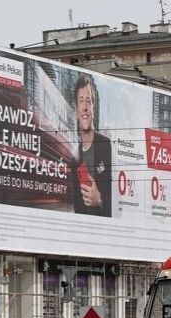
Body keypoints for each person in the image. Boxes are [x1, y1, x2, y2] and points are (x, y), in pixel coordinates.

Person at [72, 74, 112, 217]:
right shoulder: (74, 157)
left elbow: (121, 202)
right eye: (81, 101)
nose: (85, 107)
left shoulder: (107, 146)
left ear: (93, 108)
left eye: (88, 101)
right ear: (76, 110)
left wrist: (99, 199)